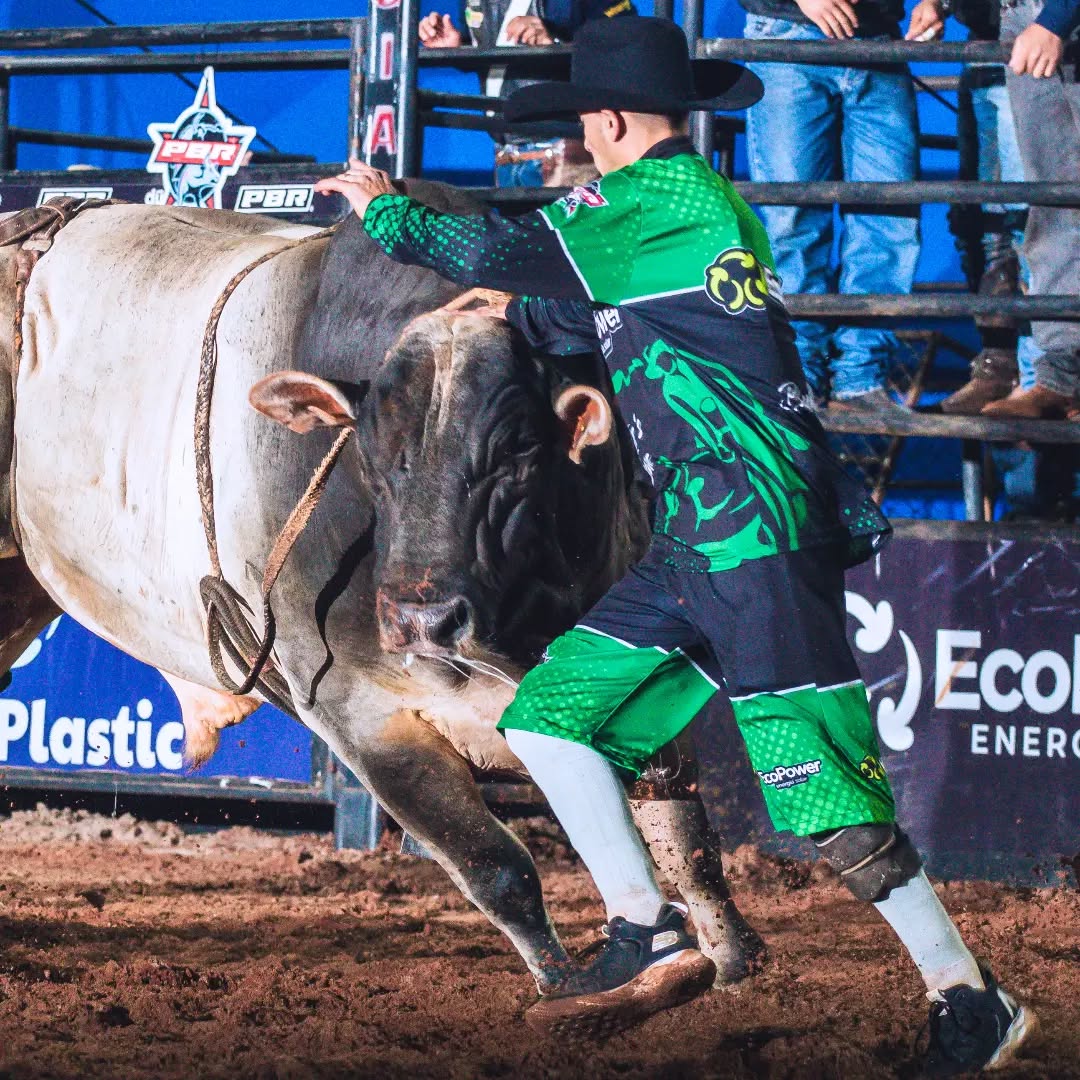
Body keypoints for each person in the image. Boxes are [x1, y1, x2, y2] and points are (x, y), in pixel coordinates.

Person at [316, 18, 1036, 1067]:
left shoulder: (644, 203)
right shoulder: (688, 213)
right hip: (703, 537)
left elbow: (484, 246)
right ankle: (644, 928)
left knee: (822, 796)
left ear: (605, 121)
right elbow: (591, 318)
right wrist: (520, 306)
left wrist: (383, 207)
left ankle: (972, 999)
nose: (577, 147)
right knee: (553, 716)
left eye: (579, 128)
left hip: (755, 540)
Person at [738, 0, 945, 416]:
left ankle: (860, 377)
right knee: (792, 222)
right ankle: (800, 378)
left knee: (888, 221)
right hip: (788, 31)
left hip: (879, 40)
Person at [980, 0, 1080, 418]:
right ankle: (1063, 376)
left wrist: (1057, 17)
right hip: (1022, 16)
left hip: (1053, 18)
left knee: (1054, 202)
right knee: (1052, 204)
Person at [418, 0, 634, 187]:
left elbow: (626, 52)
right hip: (505, 157)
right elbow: (497, 60)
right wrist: (458, 48)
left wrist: (556, 46)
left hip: (568, 154)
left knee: (569, 234)